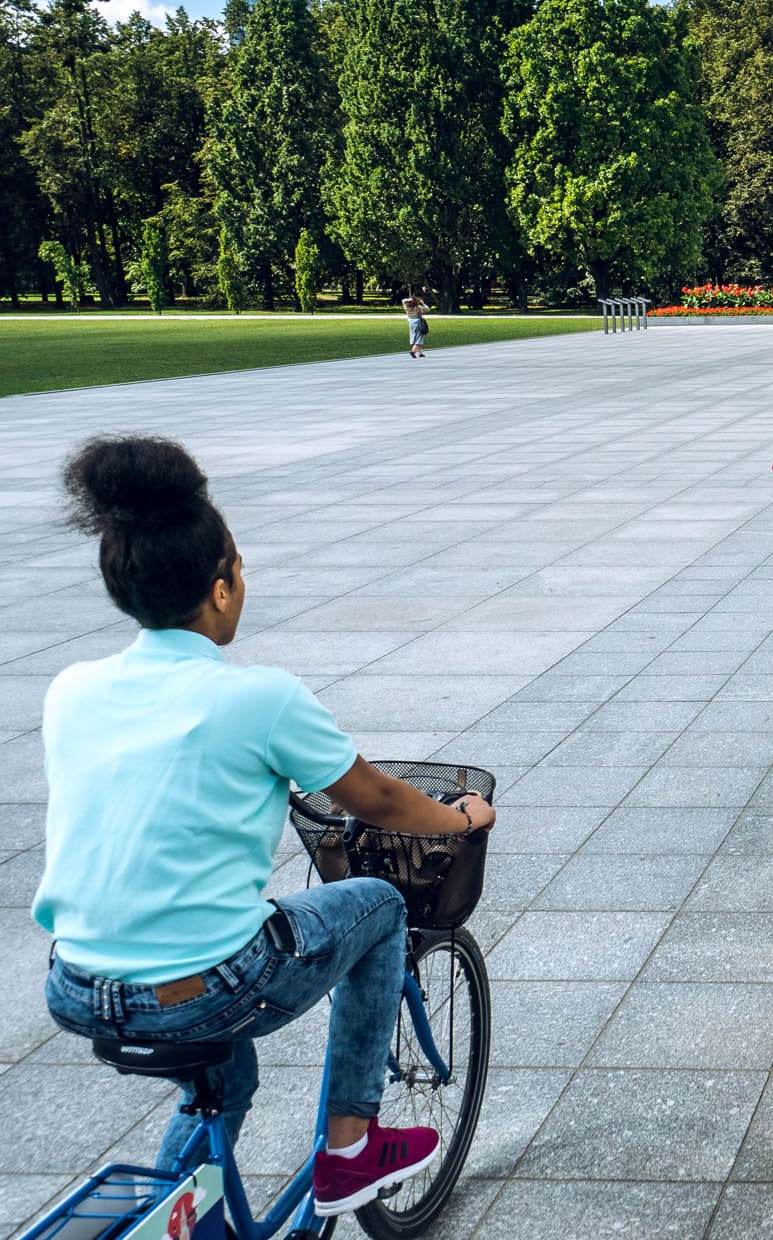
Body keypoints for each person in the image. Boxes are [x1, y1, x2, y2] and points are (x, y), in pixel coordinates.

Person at [34, 435, 499, 1216]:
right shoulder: (260, 698)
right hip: (200, 988)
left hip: (77, 983)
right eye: (239, 568)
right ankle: (352, 1144)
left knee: (225, 1084)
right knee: (380, 907)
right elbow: (378, 801)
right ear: (219, 590)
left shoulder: (70, 689)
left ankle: (179, 1216)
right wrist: (455, 821)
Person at [402, 294, 428, 358]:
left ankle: (421, 353)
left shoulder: (406, 307)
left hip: (411, 323)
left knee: (415, 337)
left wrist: (409, 300)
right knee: (419, 338)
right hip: (419, 323)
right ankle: (413, 351)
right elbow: (427, 309)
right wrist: (423, 303)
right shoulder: (419, 307)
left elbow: (403, 300)